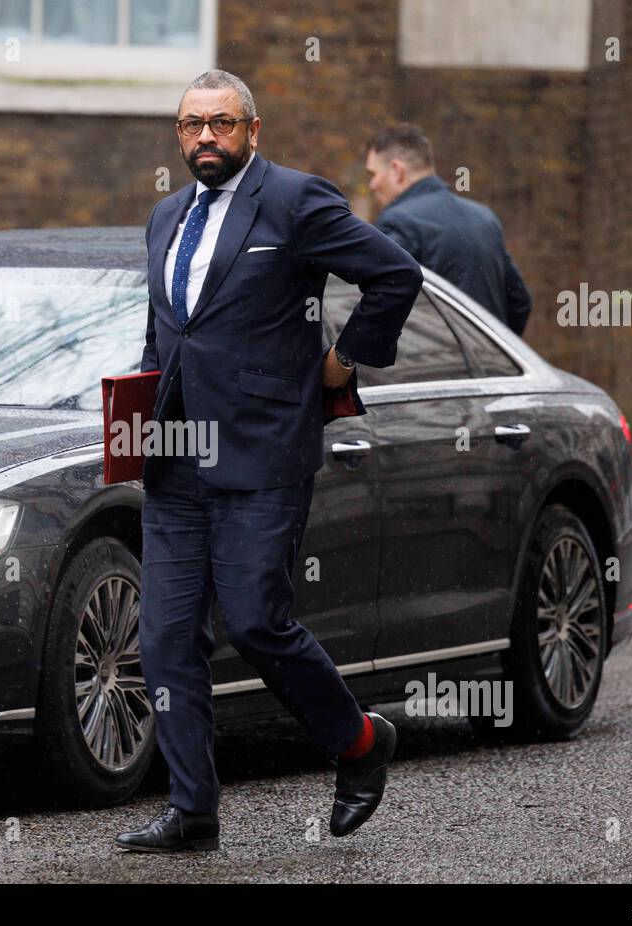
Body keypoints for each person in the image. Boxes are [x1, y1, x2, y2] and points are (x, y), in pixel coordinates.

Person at [114, 70, 422, 852]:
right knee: (164, 637)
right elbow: (167, 336)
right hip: (177, 459)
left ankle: (358, 742)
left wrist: (344, 361)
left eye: (221, 123)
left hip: (263, 451)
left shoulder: (294, 200)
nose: (204, 138)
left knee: (256, 621)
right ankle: (193, 808)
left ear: (253, 129)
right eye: (190, 125)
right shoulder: (164, 218)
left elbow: (394, 275)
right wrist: (134, 426)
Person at [367, 123, 533, 336]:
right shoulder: (484, 218)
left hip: (431, 363)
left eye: (373, 173)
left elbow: (380, 304)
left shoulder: (398, 221)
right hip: (491, 365)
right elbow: (519, 302)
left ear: (397, 171)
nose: (372, 185)